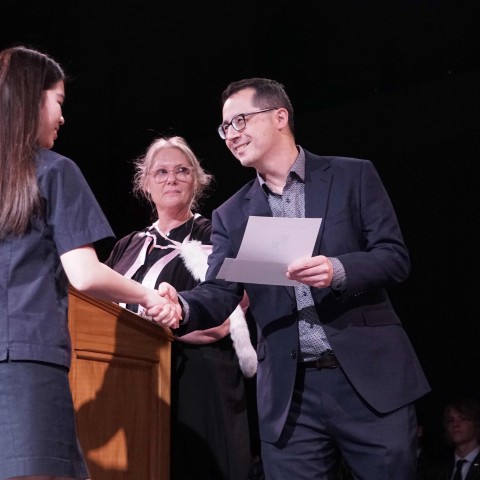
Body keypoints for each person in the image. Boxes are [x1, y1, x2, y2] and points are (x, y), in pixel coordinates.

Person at [153, 77, 432, 479]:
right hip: (291, 397)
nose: (231, 135)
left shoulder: (352, 176)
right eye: (225, 127)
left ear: (280, 116)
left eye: (241, 120)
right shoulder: (232, 214)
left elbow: (394, 257)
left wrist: (337, 270)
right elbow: (219, 291)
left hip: (368, 386)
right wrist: (180, 304)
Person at [0, 45, 171, 480]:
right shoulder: (53, 170)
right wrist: (151, 296)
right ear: (32, 98)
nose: (62, 117)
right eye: (58, 102)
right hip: (26, 362)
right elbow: (84, 273)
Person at [104, 135, 257, 480]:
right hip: (134, 381)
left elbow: (228, 315)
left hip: (200, 381)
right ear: (145, 183)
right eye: (160, 172)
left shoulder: (218, 235)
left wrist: (166, 321)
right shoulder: (127, 245)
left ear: (197, 180)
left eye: (181, 171)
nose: (171, 179)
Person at [423, 398, 480, 480]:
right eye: (451, 420)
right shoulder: (437, 469)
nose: (455, 424)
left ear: (476, 423)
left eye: (463, 419)